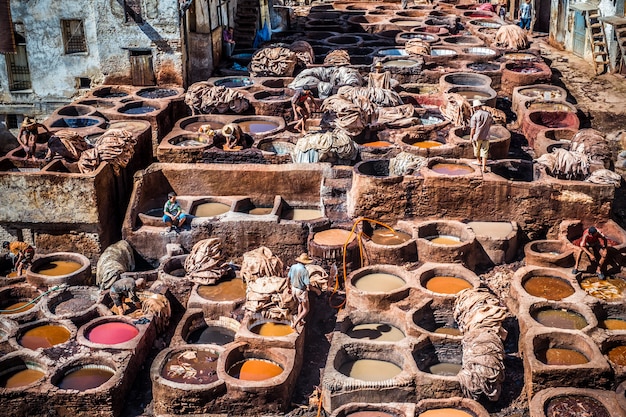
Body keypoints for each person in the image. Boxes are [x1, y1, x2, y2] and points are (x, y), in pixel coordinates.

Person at [288, 253, 314, 330]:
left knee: (300, 303)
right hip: (301, 291)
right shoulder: (304, 271)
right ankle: (295, 323)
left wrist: (288, 287)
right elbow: (307, 284)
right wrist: (312, 289)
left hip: (293, 288)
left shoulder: (293, 267)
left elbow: (288, 278)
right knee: (306, 309)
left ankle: (300, 321)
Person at [469, 99, 494, 173]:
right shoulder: (488, 114)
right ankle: (483, 167)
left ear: (475, 107)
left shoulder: (475, 116)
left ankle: (478, 161)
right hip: (486, 135)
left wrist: (471, 137)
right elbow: (491, 123)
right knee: (485, 151)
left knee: (477, 149)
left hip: (477, 136)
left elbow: (473, 128)